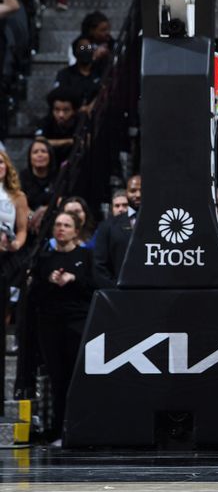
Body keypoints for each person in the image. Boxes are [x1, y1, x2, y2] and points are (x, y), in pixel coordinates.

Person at [30, 211, 111, 444]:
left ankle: (82, 428)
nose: (60, 229)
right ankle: (57, 430)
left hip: (77, 324)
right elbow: (34, 295)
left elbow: (94, 287)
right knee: (57, 378)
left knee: (79, 378)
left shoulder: (85, 256)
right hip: (50, 325)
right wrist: (49, 280)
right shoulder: (44, 258)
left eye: (66, 225)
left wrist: (74, 279)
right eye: (57, 225)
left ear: (76, 230)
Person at [53, 36, 104, 113]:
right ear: (74, 52)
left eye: (89, 47)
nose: (86, 50)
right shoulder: (64, 74)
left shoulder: (101, 73)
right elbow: (59, 97)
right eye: (82, 48)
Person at [0, 150, 29, 284]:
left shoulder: (18, 197)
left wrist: (16, 244)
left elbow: (22, 230)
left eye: (0, 162)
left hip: (6, 258)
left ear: (6, 166)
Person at [18, 137, 56, 236]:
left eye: (43, 151)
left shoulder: (58, 176)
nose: (40, 155)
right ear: (30, 158)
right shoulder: (23, 176)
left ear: (50, 156)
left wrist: (44, 211)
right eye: (35, 152)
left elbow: (61, 200)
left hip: (52, 220)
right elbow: (19, 202)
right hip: (28, 223)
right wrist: (32, 217)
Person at [35, 88, 80, 168]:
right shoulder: (47, 121)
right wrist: (68, 141)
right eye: (57, 110)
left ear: (74, 111)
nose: (61, 115)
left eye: (66, 110)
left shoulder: (80, 123)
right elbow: (39, 142)